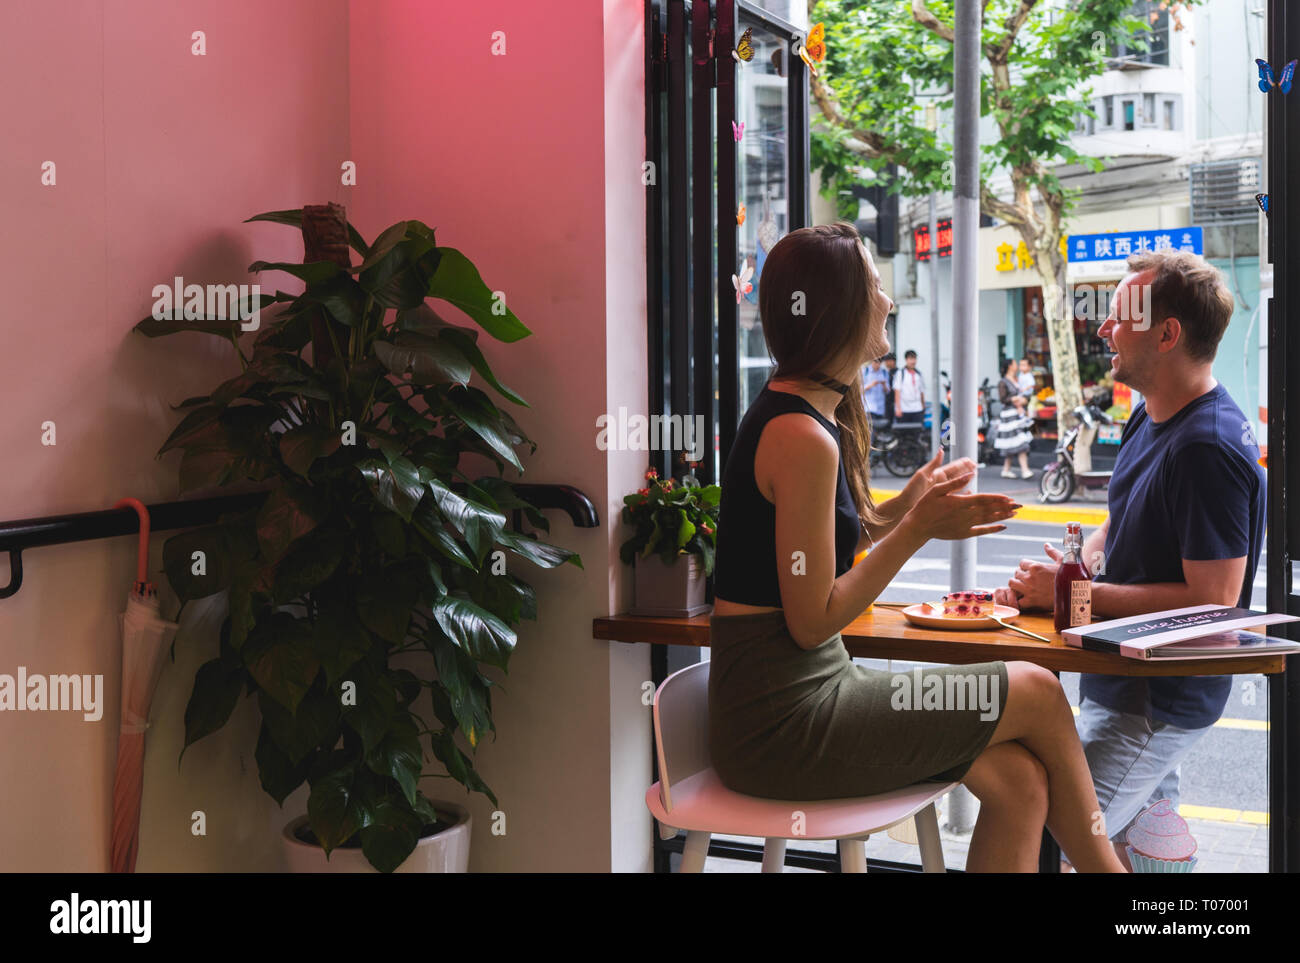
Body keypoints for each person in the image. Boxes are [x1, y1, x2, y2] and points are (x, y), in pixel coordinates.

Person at [709, 222, 1127, 873]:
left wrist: (905, 504)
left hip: (804, 700)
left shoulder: (805, 413)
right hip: (785, 725)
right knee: (1041, 691)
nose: (889, 300)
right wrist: (918, 528)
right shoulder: (803, 436)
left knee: (1019, 782)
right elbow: (813, 615)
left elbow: (824, 541)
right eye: (876, 286)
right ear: (841, 308)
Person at [992, 250, 1265, 871]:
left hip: (1155, 702)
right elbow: (1120, 515)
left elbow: (1214, 602)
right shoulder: (1151, 413)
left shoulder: (1208, 447)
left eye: (1120, 317)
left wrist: (1069, 599)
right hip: (1119, 680)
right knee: (1145, 857)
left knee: (1055, 844)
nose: (1104, 329)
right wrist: (1077, 566)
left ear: (1167, 334)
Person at [995, 391, 1034, 480]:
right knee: (1022, 448)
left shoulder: (1018, 408)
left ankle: (1006, 470)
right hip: (1011, 431)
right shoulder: (1010, 409)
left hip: (1012, 432)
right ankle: (1025, 470)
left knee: (1011, 451)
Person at [893, 349, 925, 426]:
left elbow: (921, 392)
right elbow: (897, 391)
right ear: (906, 360)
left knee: (917, 433)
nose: (913, 361)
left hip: (917, 409)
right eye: (910, 359)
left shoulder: (919, 374)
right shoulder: (900, 373)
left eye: (914, 358)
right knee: (904, 434)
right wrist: (898, 408)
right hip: (904, 409)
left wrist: (923, 406)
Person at [863, 357, 890, 422]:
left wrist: (884, 385)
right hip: (869, 407)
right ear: (872, 361)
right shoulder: (865, 371)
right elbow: (860, 390)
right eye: (876, 362)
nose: (877, 364)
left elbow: (888, 391)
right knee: (870, 429)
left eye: (879, 362)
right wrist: (871, 385)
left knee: (879, 430)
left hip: (880, 408)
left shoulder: (884, 372)